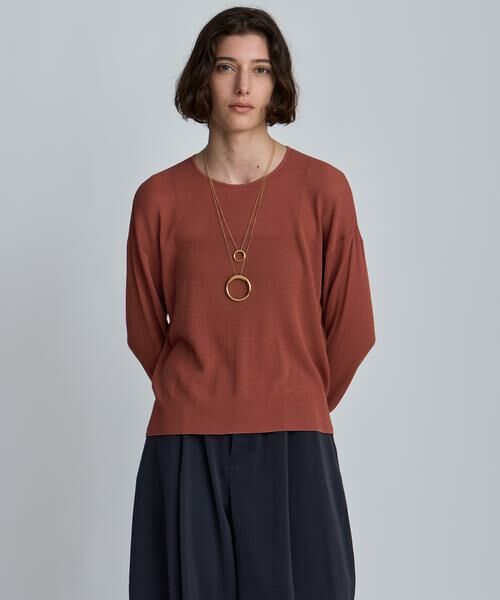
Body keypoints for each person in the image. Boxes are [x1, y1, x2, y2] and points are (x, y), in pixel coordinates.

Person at [126, 6, 376, 600]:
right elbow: (143, 327)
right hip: (186, 440)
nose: (243, 86)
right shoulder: (158, 199)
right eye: (226, 67)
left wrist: (293, 395)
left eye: (260, 69)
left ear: (276, 82)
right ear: (203, 78)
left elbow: (354, 327)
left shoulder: (324, 190)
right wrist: (199, 394)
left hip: (295, 438)